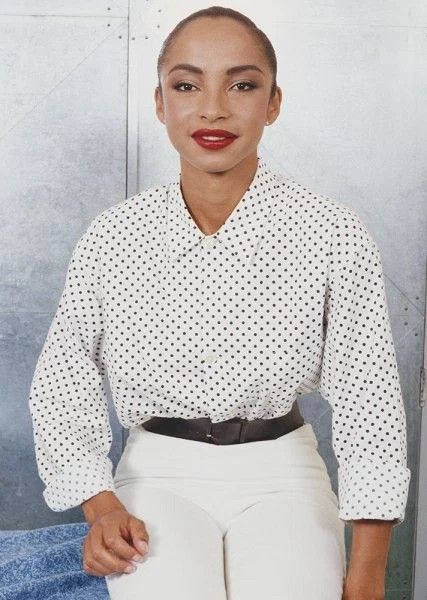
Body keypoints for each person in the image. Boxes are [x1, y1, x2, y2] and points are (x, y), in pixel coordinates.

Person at [28, 6, 411, 600]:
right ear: (160, 103)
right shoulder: (113, 236)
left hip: (285, 472)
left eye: (241, 84)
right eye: (186, 85)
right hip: (156, 471)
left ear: (273, 102)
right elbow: (62, 381)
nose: (213, 108)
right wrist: (101, 503)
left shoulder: (332, 231)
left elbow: (371, 403)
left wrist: (367, 573)